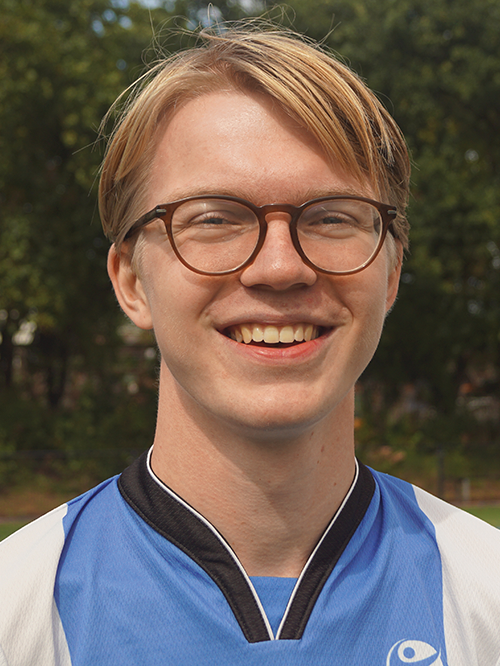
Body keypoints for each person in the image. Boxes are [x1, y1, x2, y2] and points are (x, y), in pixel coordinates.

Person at [1, 25, 499, 666]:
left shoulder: (483, 595)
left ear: (392, 272)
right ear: (131, 281)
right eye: (214, 218)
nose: (280, 267)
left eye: (332, 217)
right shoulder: (21, 610)